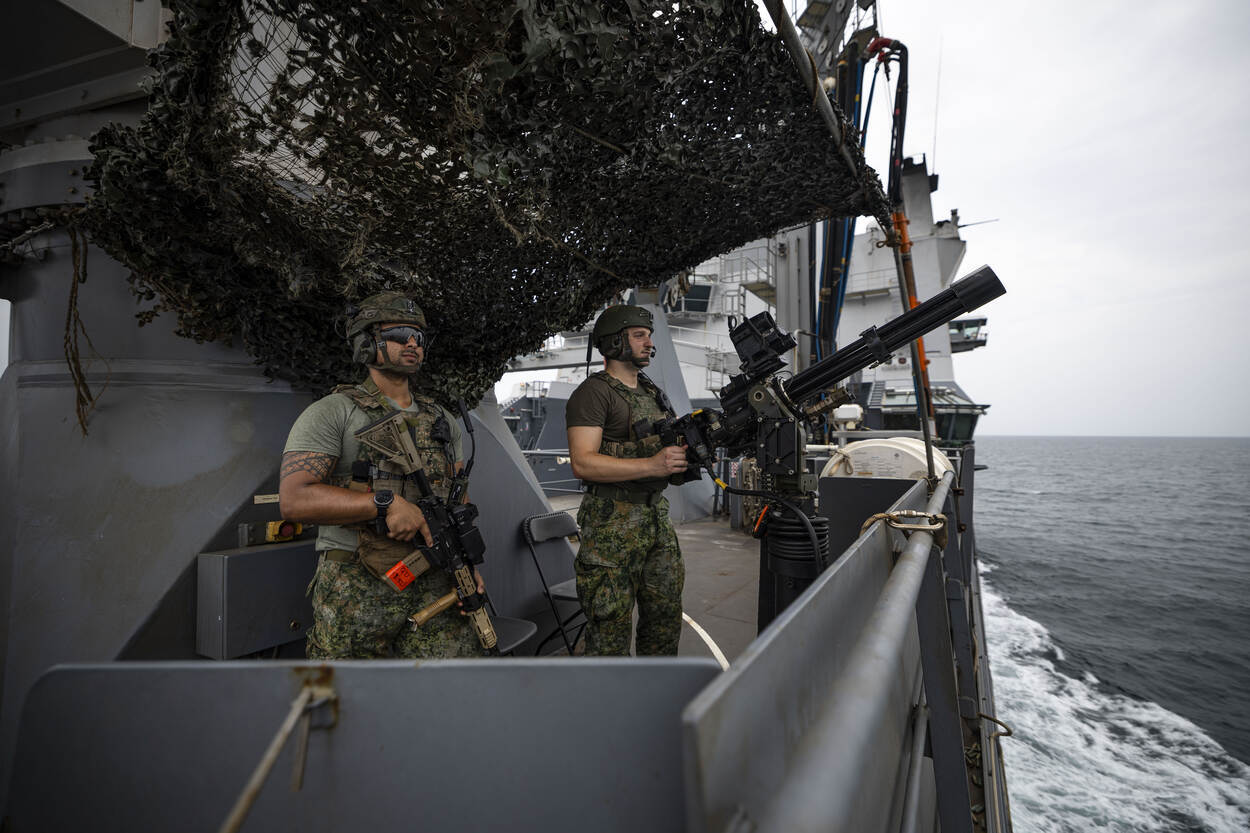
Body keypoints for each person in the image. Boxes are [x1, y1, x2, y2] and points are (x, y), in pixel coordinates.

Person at [279, 291, 487, 658]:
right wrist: (385, 504)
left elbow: (457, 499)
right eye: (398, 334)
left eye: (418, 338)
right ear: (367, 343)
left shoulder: (443, 420)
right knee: (349, 699)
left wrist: (466, 567)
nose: (412, 343)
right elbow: (295, 499)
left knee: (450, 693)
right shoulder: (333, 412)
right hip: (357, 584)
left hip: (437, 577)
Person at [565, 304, 689, 655]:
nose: (649, 343)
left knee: (664, 618)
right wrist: (652, 465)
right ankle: (609, 704)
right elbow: (583, 462)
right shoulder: (594, 393)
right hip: (611, 523)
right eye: (639, 336)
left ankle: (654, 696)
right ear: (615, 342)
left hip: (655, 519)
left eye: (649, 336)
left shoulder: (651, 392)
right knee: (610, 629)